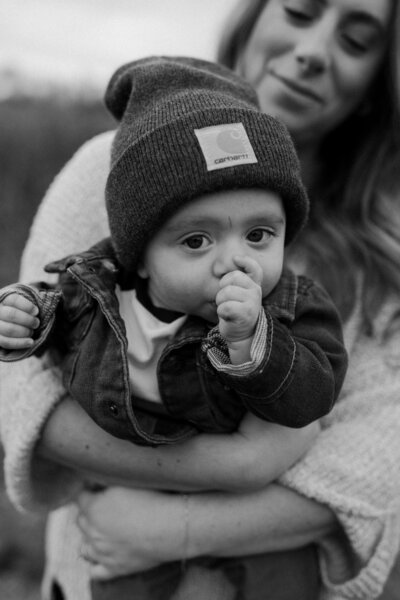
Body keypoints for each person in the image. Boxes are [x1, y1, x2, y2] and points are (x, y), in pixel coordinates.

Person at [1, 0, 400, 599]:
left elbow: (373, 466)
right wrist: (244, 463)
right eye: (298, 11)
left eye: (356, 41)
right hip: (98, 564)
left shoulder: (367, 259)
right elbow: (27, 393)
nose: (314, 52)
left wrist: (176, 528)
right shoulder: (116, 173)